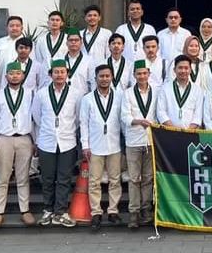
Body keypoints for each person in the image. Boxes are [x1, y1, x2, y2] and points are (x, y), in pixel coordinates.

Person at [0, 62, 37, 229]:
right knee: (2, 177)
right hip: (4, 139)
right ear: (6, 76)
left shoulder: (30, 94)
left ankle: (25, 210)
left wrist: (35, 141)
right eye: (11, 73)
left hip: (24, 138)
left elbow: (35, 119)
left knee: (23, 177)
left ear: (23, 76)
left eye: (18, 73)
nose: (15, 76)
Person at [32, 59, 79, 228]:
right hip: (47, 141)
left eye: (62, 72)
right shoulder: (42, 94)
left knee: (64, 178)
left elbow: (77, 118)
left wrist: (66, 129)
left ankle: (60, 211)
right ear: (50, 74)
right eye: (56, 72)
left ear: (67, 74)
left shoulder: (75, 94)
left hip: (67, 141)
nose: (59, 75)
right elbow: (37, 116)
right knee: (48, 178)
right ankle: (48, 210)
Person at [80, 65, 123, 231]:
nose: (104, 79)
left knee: (115, 180)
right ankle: (96, 212)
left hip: (114, 144)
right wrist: (85, 145)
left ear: (111, 77)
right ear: (95, 78)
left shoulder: (119, 96)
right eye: (101, 76)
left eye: (107, 76)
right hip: (95, 146)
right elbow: (83, 123)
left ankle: (113, 211)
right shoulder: (87, 99)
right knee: (94, 181)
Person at [120, 59, 158, 229]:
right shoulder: (128, 93)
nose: (142, 76)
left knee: (148, 178)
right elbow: (124, 116)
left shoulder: (156, 91)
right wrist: (138, 121)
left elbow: (158, 113)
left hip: (150, 141)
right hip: (134, 141)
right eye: (139, 74)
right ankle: (134, 212)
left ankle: (146, 209)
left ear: (149, 74)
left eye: (144, 73)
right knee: (134, 178)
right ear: (134, 75)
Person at [157, 55, 204, 129]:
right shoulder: (165, 89)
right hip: (169, 131)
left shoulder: (197, 90)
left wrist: (188, 131)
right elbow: (161, 112)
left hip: (190, 132)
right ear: (174, 70)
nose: (183, 71)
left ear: (190, 70)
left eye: (186, 68)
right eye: (180, 68)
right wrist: (174, 130)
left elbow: (198, 115)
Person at [63, 27, 96, 98]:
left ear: (81, 42)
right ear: (66, 43)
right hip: (64, 99)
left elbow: (93, 82)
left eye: (76, 40)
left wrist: (92, 98)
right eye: (71, 40)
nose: (73, 42)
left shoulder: (89, 60)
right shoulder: (60, 60)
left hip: (82, 98)